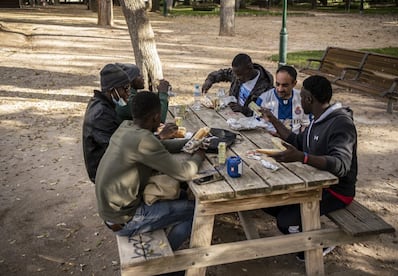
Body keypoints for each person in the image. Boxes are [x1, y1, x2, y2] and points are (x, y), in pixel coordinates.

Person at [260, 75, 357, 261]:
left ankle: (321, 244)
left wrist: (302, 157)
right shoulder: (316, 120)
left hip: (337, 190)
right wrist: (272, 119)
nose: (299, 99)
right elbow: (297, 141)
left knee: (286, 223)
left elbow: (341, 165)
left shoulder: (341, 124)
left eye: (302, 96)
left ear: (309, 100)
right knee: (269, 205)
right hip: (314, 183)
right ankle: (304, 228)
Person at [95, 91, 205, 254]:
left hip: (111, 212)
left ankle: (165, 243)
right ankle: (166, 260)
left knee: (182, 196)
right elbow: (184, 173)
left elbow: (159, 146)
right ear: (155, 117)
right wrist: (199, 156)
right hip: (126, 219)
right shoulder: (144, 141)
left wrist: (192, 142)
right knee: (198, 210)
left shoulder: (126, 128)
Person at [82, 63, 175, 183]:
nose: (127, 94)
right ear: (112, 90)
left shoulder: (102, 104)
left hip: (111, 166)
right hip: (106, 174)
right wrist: (159, 138)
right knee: (166, 173)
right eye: (125, 89)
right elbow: (121, 151)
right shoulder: (101, 116)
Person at [201, 53, 274, 116]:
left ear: (249, 68)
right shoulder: (238, 74)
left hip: (250, 123)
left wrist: (244, 110)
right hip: (231, 115)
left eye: (240, 75)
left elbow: (264, 112)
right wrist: (210, 80)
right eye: (235, 74)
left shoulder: (265, 86)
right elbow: (223, 73)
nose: (237, 78)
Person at [256, 65, 310, 134]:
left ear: (294, 84)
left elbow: (306, 125)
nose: (280, 89)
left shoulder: (302, 99)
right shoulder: (263, 99)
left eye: (285, 85)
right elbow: (256, 123)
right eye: (277, 84)